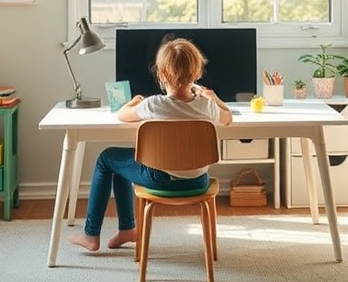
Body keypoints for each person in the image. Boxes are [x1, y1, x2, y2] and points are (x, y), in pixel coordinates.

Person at [69, 37, 233, 252]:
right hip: (198, 181)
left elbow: (122, 115)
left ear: (162, 74)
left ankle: (91, 235)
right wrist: (214, 98)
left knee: (107, 158)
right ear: (198, 73)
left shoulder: (153, 104)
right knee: (120, 164)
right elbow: (228, 118)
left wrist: (132, 102)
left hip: (161, 179)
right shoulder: (207, 107)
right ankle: (127, 231)